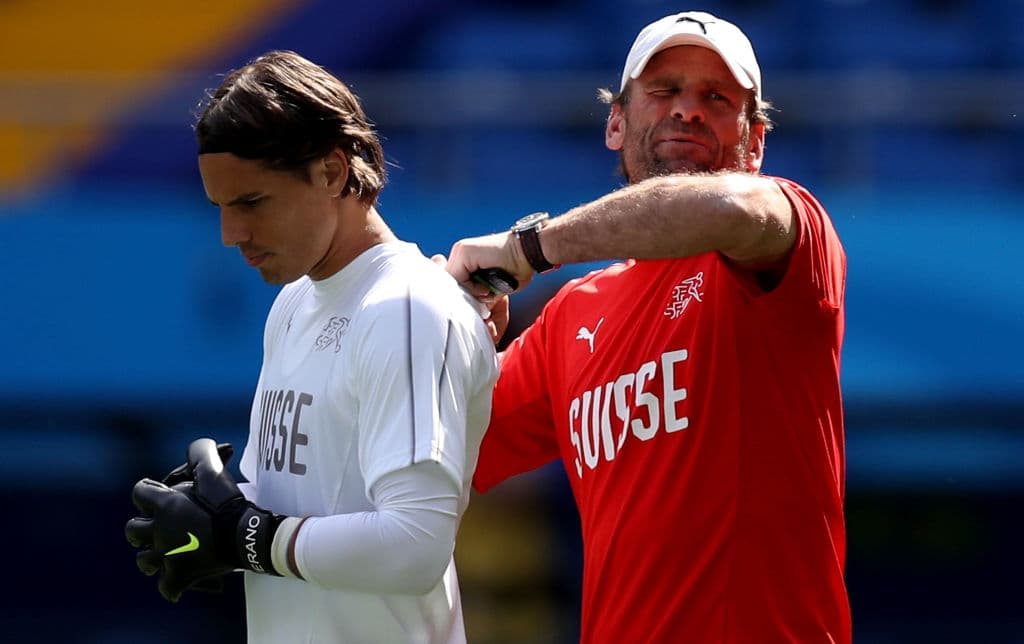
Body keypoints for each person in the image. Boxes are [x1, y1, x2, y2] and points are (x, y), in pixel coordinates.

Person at [446, 11, 851, 644]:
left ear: (756, 143)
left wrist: (531, 246)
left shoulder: (793, 233)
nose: (688, 110)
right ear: (615, 122)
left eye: (716, 98)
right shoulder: (571, 317)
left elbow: (728, 207)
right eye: (664, 91)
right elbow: (440, 439)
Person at [124, 50, 499, 644]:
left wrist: (248, 537)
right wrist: (217, 511)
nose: (231, 235)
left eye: (250, 203)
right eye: (220, 208)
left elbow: (414, 545)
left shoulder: (406, 308)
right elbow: (304, 505)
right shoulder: (295, 301)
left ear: (330, 171)